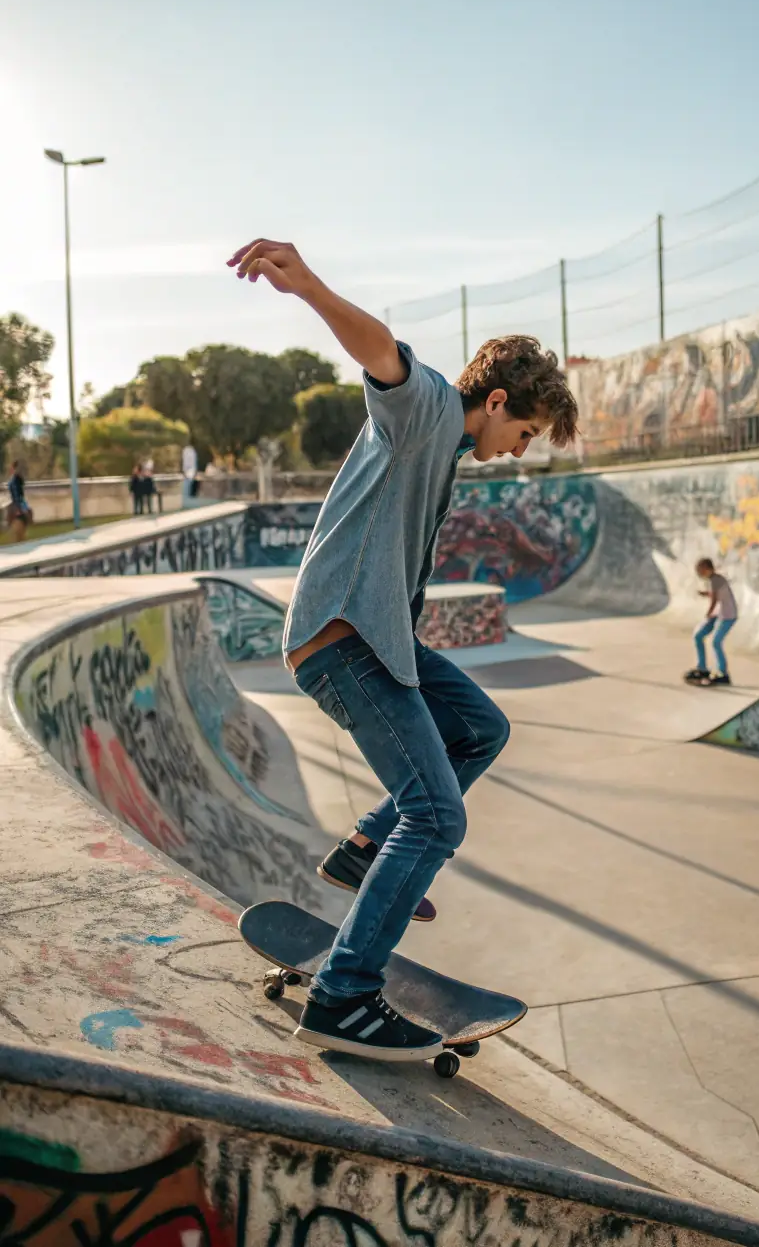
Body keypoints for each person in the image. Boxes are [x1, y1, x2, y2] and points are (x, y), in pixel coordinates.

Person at [227, 236, 578, 1062]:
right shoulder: (428, 413)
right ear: (494, 400)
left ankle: (360, 851)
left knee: (480, 728)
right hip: (344, 640)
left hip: (383, 639)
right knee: (436, 814)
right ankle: (346, 993)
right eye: (523, 431)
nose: (518, 450)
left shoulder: (448, 444)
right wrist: (309, 283)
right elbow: (381, 354)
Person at [687, 558, 737, 686]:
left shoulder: (716, 580)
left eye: (700, 570)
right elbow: (716, 594)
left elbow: (715, 599)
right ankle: (702, 668)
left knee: (716, 642)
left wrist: (708, 613)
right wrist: (706, 594)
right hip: (718, 614)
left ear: (708, 569)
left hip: (727, 616)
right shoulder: (714, 580)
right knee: (698, 636)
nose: (699, 573)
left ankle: (723, 673)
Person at [5, 461, 31, 542]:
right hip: (18, 501)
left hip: (18, 501)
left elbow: (17, 493)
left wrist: (18, 506)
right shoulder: (15, 479)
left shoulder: (15, 479)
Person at [181, 442, 198, 507]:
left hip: (190, 469)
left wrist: (184, 470)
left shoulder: (188, 451)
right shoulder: (190, 451)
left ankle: (187, 500)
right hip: (190, 469)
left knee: (188, 484)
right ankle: (187, 500)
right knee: (188, 484)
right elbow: (190, 462)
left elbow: (187, 462)